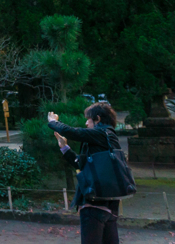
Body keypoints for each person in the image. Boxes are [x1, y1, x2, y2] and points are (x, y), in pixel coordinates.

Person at [48, 102, 123, 244]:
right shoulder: (107, 139)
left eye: (88, 119)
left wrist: (53, 122)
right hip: (109, 205)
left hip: (93, 205)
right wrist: (64, 147)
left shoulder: (102, 133)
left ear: (98, 119)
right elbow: (80, 163)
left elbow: (73, 132)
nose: (86, 123)